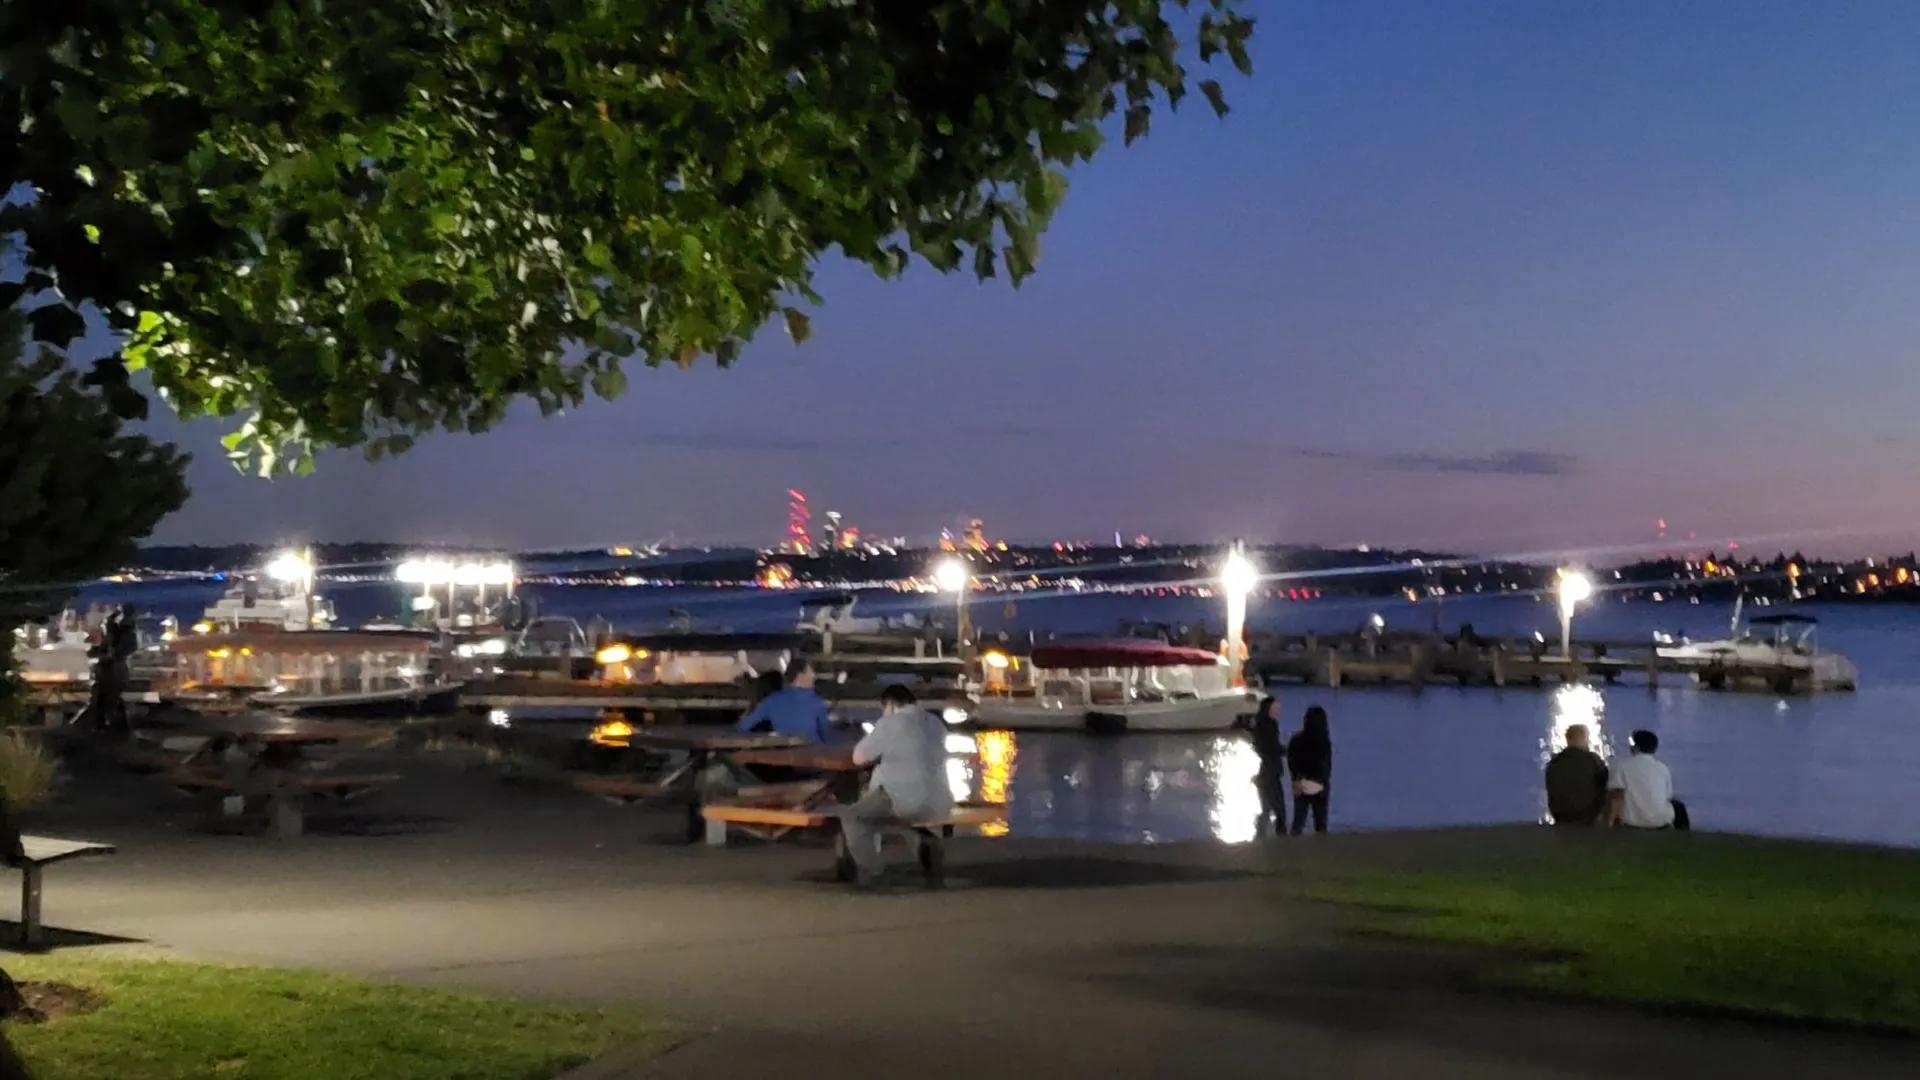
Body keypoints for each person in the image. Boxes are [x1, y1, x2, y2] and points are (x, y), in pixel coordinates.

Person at [840, 684, 952, 888]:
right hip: (941, 801)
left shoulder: (891, 723)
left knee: (853, 816)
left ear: (890, 705)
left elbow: (858, 758)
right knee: (906, 817)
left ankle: (871, 874)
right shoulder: (936, 723)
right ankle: (930, 857)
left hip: (904, 800)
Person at [1607, 729, 1690, 830]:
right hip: (1660, 820)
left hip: (1632, 821)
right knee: (1678, 806)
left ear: (1636, 747)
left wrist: (1610, 822)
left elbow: (1617, 795)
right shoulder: (1662, 768)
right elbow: (1667, 796)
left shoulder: (1622, 766)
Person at [735, 658, 832, 743]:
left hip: (783, 755)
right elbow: (827, 736)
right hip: (814, 756)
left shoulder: (771, 701)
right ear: (800, 675)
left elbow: (743, 726)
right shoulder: (816, 702)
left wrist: (751, 706)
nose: (814, 676)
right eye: (810, 672)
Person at [1544, 724, 1609, 826]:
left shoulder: (1555, 762)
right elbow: (1605, 785)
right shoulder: (1593, 760)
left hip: (1561, 816)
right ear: (1583, 738)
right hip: (1588, 817)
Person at [1286, 706, 1332, 835]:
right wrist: (1323, 782)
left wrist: (1296, 779)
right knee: (1320, 822)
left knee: (1298, 820)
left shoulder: (1296, 740)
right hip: (1318, 783)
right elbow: (1326, 765)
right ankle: (1321, 848)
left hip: (1301, 782)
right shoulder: (1323, 741)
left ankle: (1291, 848)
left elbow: (1292, 762)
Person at [1249, 696, 1288, 836]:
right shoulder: (1270, 725)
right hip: (1272, 771)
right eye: (1276, 707)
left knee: (1266, 807)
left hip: (1265, 770)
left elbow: (1262, 747)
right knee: (1279, 809)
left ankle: (1260, 835)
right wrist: (1287, 750)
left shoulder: (1258, 725)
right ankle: (1281, 838)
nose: (1279, 710)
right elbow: (1272, 748)